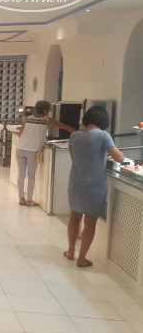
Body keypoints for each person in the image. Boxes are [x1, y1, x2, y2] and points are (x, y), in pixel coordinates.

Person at [64, 106, 125, 267]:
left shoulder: (74, 135)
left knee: (74, 217)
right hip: (95, 185)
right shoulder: (103, 135)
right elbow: (119, 158)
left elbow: (74, 159)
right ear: (103, 121)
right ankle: (82, 258)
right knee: (90, 222)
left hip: (76, 181)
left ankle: (71, 251)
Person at [15, 100, 76, 206]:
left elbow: (20, 135)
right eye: (48, 111)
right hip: (33, 150)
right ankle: (29, 200)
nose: (48, 113)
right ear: (44, 111)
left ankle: (21, 198)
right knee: (31, 176)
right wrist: (79, 132)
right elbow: (64, 127)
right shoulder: (47, 120)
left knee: (21, 174)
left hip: (20, 149)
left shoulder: (27, 119)